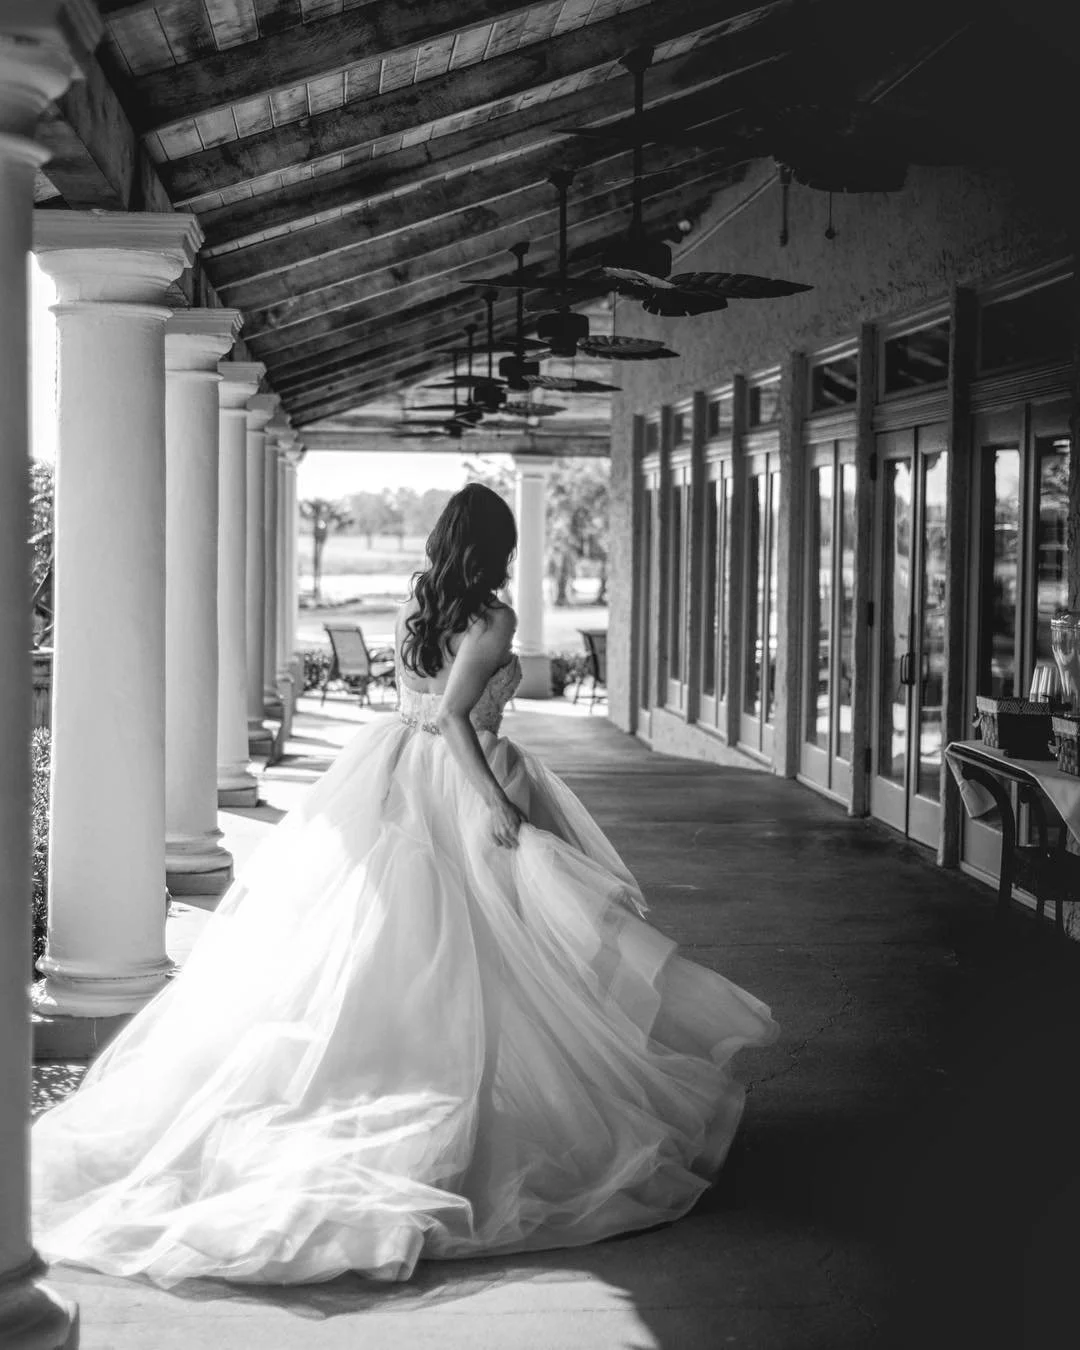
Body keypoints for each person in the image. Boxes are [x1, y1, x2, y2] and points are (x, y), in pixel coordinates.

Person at [32, 483, 778, 1289]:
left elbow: (416, 706)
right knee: (488, 948)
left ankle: (393, 1078)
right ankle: (449, 1100)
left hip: (393, 770)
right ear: (498, 546)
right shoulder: (495, 620)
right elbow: (457, 716)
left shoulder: (414, 608)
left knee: (394, 945)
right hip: (460, 782)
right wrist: (495, 803)